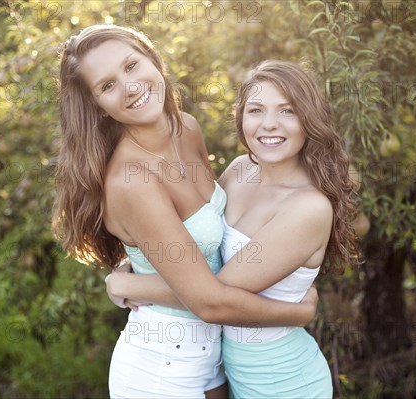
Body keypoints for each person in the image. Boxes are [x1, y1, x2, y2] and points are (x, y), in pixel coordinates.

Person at [51, 25, 319, 399]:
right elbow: (207, 299)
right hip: (161, 369)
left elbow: (220, 242)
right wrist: (297, 313)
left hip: (215, 359)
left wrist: (129, 281)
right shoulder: (133, 180)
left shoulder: (187, 129)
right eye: (107, 86)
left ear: (152, 59)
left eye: (131, 66)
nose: (130, 87)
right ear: (96, 104)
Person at [107, 60, 359, 398]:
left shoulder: (308, 208)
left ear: (308, 120)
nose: (269, 124)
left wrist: (128, 284)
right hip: (229, 372)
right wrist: (133, 261)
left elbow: (212, 295)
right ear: (241, 119)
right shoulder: (240, 171)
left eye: (287, 111)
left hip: (284, 382)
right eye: (256, 110)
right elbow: (198, 238)